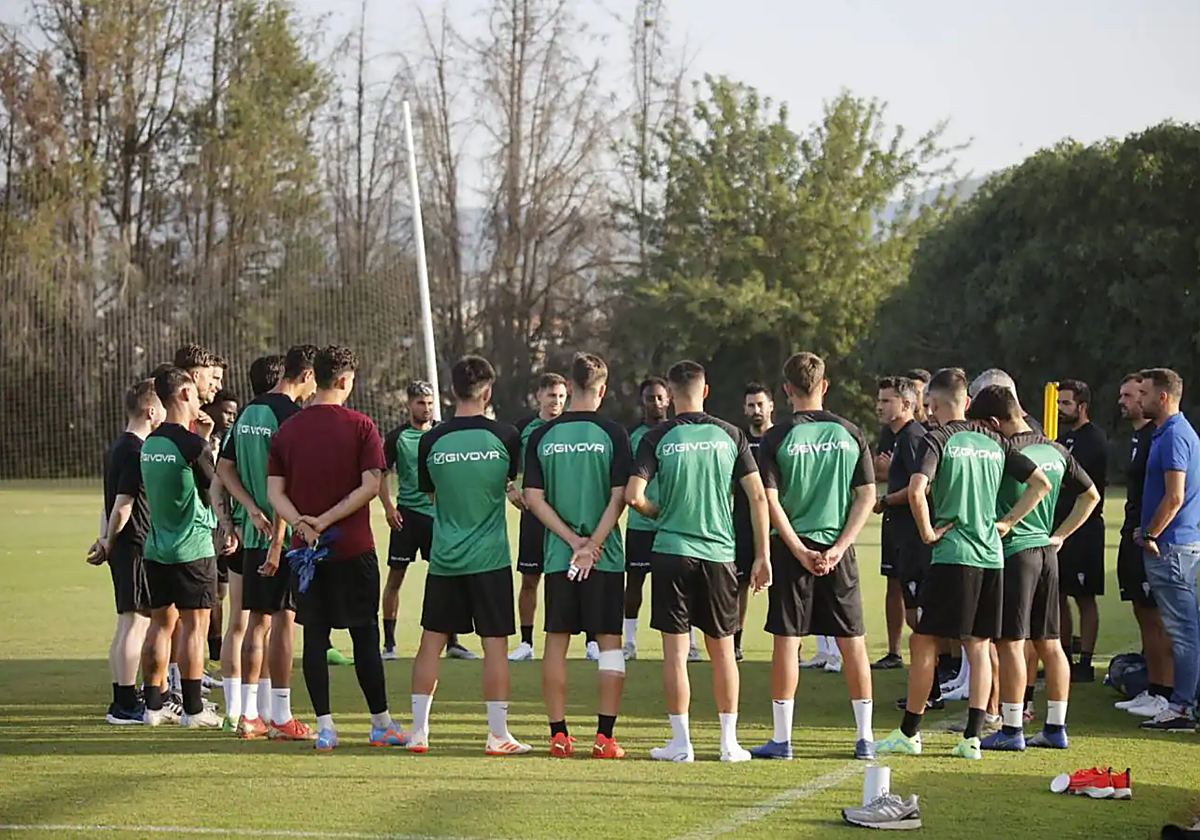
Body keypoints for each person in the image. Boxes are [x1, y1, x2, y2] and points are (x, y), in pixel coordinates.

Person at [875, 368, 1050, 761]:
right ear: (967, 403)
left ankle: (909, 732)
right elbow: (1041, 484)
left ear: (931, 405)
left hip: (953, 554)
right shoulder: (995, 441)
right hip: (991, 556)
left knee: (924, 642)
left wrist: (927, 533)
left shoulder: (938, 438)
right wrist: (1006, 523)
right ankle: (973, 737)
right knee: (980, 644)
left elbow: (918, 490)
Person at [626, 360, 770, 763]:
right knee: (723, 651)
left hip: (671, 552)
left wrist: (659, 512)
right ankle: (729, 743)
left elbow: (634, 496)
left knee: (675, 653)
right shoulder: (731, 434)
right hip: (720, 555)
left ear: (670, 395)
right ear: (705, 391)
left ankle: (681, 744)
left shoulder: (657, 436)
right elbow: (757, 496)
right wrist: (763, 555)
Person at [266, 345, 406, 751]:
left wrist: (302, 525)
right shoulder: (362, 426)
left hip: (305, 554)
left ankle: (326, 728)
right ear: (344, 381)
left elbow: (275, 492)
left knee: (315, 638)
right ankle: (380, 724)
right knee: (364, 637)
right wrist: (326, 522)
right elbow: (370, 485)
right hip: (353, 550)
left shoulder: (287, 430)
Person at [751, 352, 877, 761]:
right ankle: (865, 738)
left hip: (794, 554)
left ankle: (782, 740)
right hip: (840, 554)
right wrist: (838, 548)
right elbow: (866, 496)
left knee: (787, 643)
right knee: (853, 643)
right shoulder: (851, 432)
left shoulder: (775, 437)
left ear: (786, 391)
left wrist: (798, 549)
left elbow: (770, 501)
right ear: (824, 386)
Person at [966, 385, 1099, 751]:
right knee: (1051, 643)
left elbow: (1027, 491)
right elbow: (1091, 496)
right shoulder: (1055, 448)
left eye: (983, 427)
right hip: (1046, 551)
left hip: (1014, 553)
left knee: (1011, 642)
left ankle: (1012, 729)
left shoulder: (1009, 451)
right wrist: (1060, 535)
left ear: (994, 422)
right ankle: (1056, 728)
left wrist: (1008, 521)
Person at [409, 355, 531, 755]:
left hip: (444, 557)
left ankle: (419, 733)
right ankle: (497, 735)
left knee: (430, 643)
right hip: (490, 559)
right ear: (488, 391)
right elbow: (510, 484)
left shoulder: (431, 439)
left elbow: (431, 494)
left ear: (451, 391)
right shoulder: (507, 435)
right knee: (494, 646)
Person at [523, 353, 632, 758]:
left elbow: (533, 498)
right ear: (601, 390)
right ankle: (604, 739)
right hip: (605, 556)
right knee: (609, 645)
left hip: (559, 557)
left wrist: (572, 543)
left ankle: (559, 736)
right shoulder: (614, 433)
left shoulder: (542, 435)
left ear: (570, 386)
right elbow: (619, 495)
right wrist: (592, 544)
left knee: (556, 642)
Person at [217, 345, 318, 739]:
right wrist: (278, 541)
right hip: (280, 537)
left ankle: (248, 716)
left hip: (251, 531)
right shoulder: (290, 417)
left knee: (255, 622)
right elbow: (284, 485)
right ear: (306, 376)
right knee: (284, 621)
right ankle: (279, 716)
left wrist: (249, 508)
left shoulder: (247, 412)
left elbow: (225, 469)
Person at [139, 366, 224, 728]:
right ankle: (192, 709)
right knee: (195, 627)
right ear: (185, 394)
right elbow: (214, 489)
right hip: (192, 548)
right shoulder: (193, 445)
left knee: (160, 625)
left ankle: (153, 707)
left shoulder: (152, 442)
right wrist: (208, 445)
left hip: (157, 547)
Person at [380, 381, 476, 661]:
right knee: (396, 577)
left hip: (440, 517)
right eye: (421, 403)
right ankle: (389, 644)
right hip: (407, 516)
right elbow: (380, 474)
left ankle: (453, 642)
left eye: (430, 402)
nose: (426, 408)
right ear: (409, 404)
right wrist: (388, 507)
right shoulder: (397, 437)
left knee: (447, 577)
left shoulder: (443, 433)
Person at [88, 379, 165, 724]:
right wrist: (110, 539)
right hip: (134, 545)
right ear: (151, 411)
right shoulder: (137, 452)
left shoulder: (116, 447)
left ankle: (124, 695)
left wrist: (104, 538)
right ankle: (124, 704)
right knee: (135, 622)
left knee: (128, 623)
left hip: (121, 546)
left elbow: (107, 503)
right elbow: (122, 505)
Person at [215, 354, 284, 728]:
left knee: (238, 625)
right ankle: (267, 710)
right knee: (269, 624)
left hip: (240, 535)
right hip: (268, 536)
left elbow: (218, 480)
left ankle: (233, 710)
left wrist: (228, 522)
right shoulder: (279, 417)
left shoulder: (240, 421)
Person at [1136, 368, 1200, 733]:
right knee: (1186, 627)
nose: (1139, 399)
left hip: (1172, 547)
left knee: (1184, 631)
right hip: (1177, 544)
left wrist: (1150, 534)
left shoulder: (1175, 435)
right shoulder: (1170, 432)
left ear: (1163, 397)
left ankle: (1182, 709)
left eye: (1144, 393)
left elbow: (1174, 496)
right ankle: (1184, 703)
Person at [1113, 373, 1175, 718]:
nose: (1124, 401)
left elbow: (1172, 491)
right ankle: (1152, 687)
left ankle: (1165, 692)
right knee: (1142, 612)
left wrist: (1151, 532)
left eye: (1131, 395)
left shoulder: (1159, 436)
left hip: (1147, 536)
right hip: (1130, 532)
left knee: (1156, 617)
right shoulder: (1138, 437)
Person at [510, 373, 569, 661]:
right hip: (534, 513)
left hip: (566, 513)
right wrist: (509, 488)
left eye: (560, 396)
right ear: (539, 397)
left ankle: (592, 639)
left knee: (570, 577)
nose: (556, 401)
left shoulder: (572, 427)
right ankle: (526, 643)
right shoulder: (523, 428)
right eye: (551, 395)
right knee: (530, 579)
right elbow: (503, 463)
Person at [1053, 379, 1108, 682]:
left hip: (1086, 529)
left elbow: (1076, 481)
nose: (1061, 409)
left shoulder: (1094, 439)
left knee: (1084, 596)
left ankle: (1085, 661)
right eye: (1058, 403)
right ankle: (1062, 655)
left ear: (1082, 406)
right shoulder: (1063, 438)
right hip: (1061, 527)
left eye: (1066, 403)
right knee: (1058, 593)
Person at [874, 377, 924, 671]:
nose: (879, 406)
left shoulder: (913, 437)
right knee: (903, 598)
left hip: (913, 534)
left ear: (906, 404)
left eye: (886, 401)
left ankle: (939, 673)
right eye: (879, 400)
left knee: (918, 614)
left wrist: (886, 501)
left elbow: (924, 487)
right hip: (896, 530)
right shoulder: (892, 435)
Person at [623, 377, 670, 661]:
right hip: (640, 523)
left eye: (659, 397)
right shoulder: (632, 436)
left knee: (675, 586)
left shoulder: (678, 433)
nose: (655, 402)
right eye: (650, 398)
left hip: (672, 523)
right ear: (642, 402)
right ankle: (629, 642)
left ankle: (686, 642)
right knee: (635, 583)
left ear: (669, 399)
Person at [732, 382, 774, 661]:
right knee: (740, 584)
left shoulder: (781, 438)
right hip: (742, 524)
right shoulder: (739, 441)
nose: (756, 410)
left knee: (780, 585)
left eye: (760, 404)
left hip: (777, 524)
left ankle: (790, 646)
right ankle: (735, 642)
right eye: (751, 405)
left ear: (771, 405)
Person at [202, 388, 239, 667]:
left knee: (222, 592)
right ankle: (209, 652)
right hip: (207, 527)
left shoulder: (231, 439)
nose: (230, 417)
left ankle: (216, 653)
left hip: (227, 526)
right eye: (226, 411)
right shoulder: (201, 442)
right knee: (211, 593)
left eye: (234, 413)